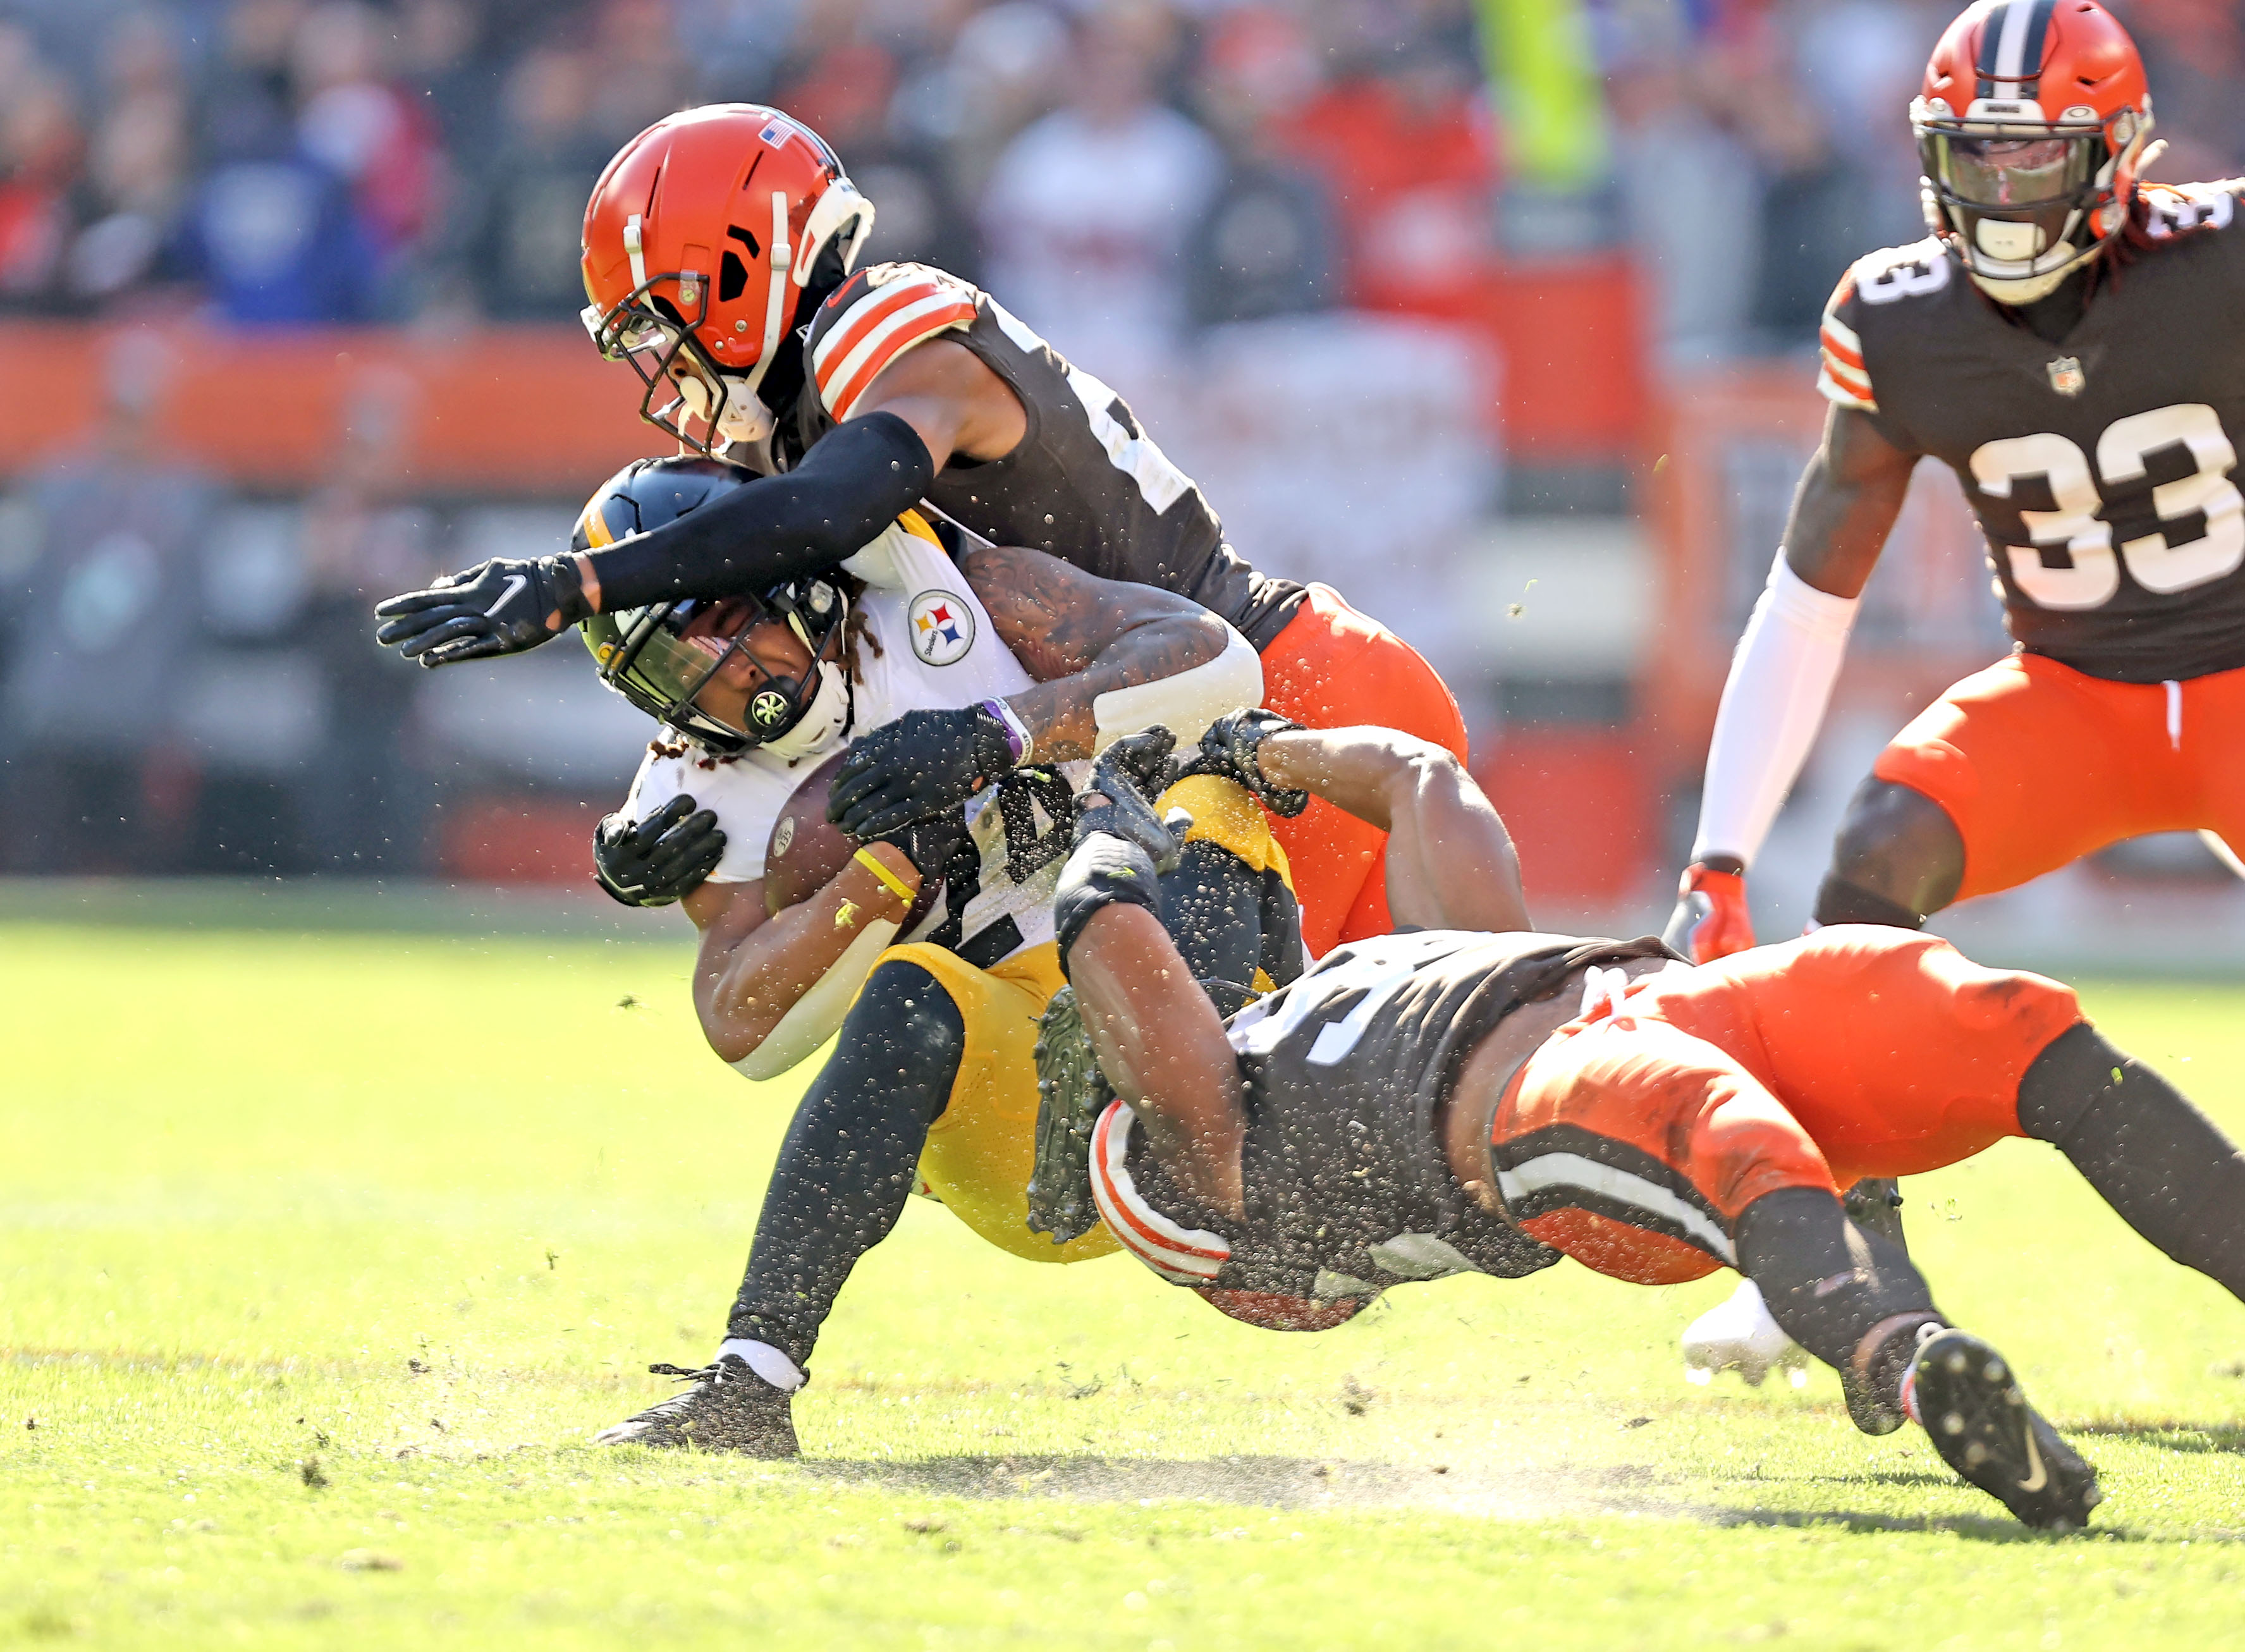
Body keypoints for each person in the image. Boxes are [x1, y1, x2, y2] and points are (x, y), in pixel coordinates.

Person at [1047, 713, 2245, 1530]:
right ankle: (1911, 1360)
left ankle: (1887, 1279)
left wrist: (1262, 749)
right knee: (1715, 1121)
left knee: (1985, 1013)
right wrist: (1096, 833)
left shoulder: (1351, 994)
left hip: (1662, 1000)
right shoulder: (1193, 1152)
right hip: (1537, 1121)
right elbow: (1121, 951)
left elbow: (1424, 781)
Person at [368, 101, 1467, 958]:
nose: (659, 373)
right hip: (1194, 737)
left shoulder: (878, 326)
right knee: (1273, 1171)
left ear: (743, 270)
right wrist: (644, 830)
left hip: (1281, 696)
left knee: (1286, 1150)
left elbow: (826, 512)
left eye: (660, 325)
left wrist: (579, 584)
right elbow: (767, 653)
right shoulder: (791, 441)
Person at [1662, 0, 2245, 1374]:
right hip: (2076, 693)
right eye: (1972, 158)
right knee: (1868, 870)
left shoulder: (2220, 259)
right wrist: (1721, 849)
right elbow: (1810, 599)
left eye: (2034, 161)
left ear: (2119, 155)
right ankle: (1840, 1254)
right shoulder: (1899, 315)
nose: (1998, 195)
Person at [568, 455, 1290, 1455]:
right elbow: (743, 1026)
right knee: (912, 987)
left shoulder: (940, 591)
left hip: (1184, 999)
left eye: (730, 635)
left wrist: (1003, 731)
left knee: (1218, 783)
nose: (725, 685)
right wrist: (887, 874)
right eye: (674, 670)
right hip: (1035, 1121)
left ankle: (1252, 1133)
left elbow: (1216, 663)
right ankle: (749, 1383)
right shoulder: (698, 790)